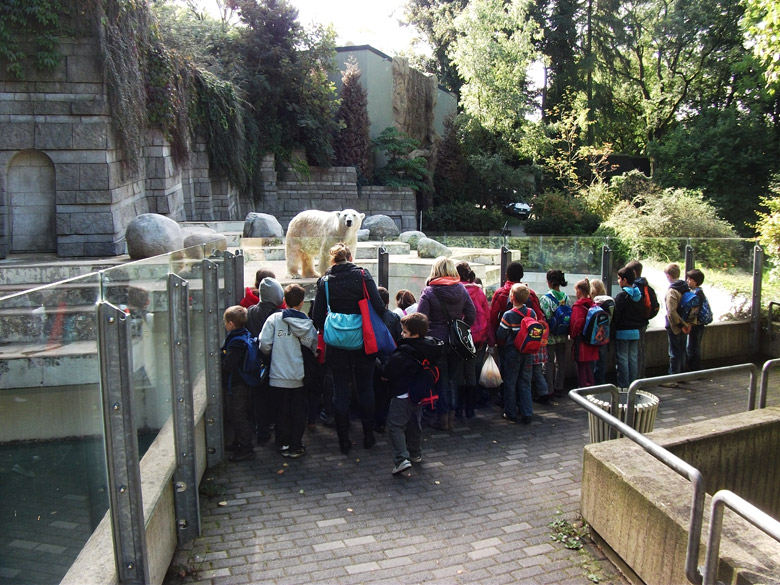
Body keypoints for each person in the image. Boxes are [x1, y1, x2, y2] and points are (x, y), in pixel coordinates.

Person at [311, 243, 386, 454]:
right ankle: (368, 435)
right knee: (365, 388)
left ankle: (343, 440)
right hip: (362, 341)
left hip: (336, 345)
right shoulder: (362, 275)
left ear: (332, 260)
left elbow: (317, 316)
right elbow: (379, 306)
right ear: (350, 257)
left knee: (340, 390)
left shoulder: (324, 281)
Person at [417, 257, 476, 431]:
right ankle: (451, 418)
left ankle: (442, 420)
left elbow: (421, 320)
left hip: (437, 343)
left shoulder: (428, 292)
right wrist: (459, 329)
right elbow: (471, 315)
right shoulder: (462, 290)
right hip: (457, 343)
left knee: (441, 381)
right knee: (452, 380)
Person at [259, 284, 318, 458]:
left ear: (284, 301)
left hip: (277, 375)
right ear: (301, 303)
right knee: (298, 411)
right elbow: (312, 348)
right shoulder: (307, 324)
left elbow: (264, 344)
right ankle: (296, 445)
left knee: (280, 411)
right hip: (299, 376)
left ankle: (282, 443)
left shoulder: (274, 319)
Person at [382, 313, 444, 475]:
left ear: (414, 335)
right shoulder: (431, 347)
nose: (402, 335)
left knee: (396, 426)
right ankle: (415, 453)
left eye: (404, 332)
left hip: (402, 394)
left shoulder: (405, 352)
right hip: (419, 394)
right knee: (414, 425)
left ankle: (401, 459)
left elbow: (389, 371)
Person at [489, 261, 549, 404]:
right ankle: (525, 407)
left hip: (507, 344)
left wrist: (496, 340)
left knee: (508, 376)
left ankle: (507, 403)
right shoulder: (530, 294)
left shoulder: (501, 293)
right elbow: (539, 319)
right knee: (525, 379)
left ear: (506, 275)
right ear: (522, 276)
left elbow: (492, 317)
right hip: (527, 344)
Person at [246, 277, 285, 444]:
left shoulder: (250, 311)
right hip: (275, 362)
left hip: (256, 364)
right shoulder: (278, 315)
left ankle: (261, 430)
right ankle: (278, 429)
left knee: (259, 398)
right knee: (277, 398)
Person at [456, 261, 495, 418]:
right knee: (472, 373)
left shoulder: (456, 290)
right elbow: (487, 315)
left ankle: (458, 409)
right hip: (478, 339)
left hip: (460, 338)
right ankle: (470, 409)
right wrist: (487, 338)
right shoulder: (479, 292)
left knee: (459, 374)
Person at [495, 283, 535, 424]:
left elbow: (501, 334)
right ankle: (527, 412)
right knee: (525, 382)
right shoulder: (531, 313)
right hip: (528, 352)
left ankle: (510, 412)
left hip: (513, 352)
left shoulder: (509, 315)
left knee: (510, 382)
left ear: (512, 297)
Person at [220, 305, 256, 462]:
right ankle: (238, 442)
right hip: (244, 383)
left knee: (238, 415)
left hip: (237, 384)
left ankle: (246, 447)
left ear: (231, 324)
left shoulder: (236, 342)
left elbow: (229, 365)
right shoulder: (245, 334)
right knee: (239, 414)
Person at [374, 286, 403, 432]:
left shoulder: (368, 317)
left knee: (374, 391)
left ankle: (375, 422)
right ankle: (386, 420)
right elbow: (399, 339)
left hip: (373, 360)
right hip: (389, 361)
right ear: (387, 301)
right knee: (388, 394)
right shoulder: (393, 317)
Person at [540, 269, 571, 397]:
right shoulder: (566, 297)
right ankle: (560, 387)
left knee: (548, 362)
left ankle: (549, 389)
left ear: (550, 282)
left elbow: (545, 317)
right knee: (561, 361)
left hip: (550, 337)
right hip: (563, 335)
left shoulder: (545, 299)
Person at [612, 266, 644, 389]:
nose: (618, 281)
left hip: (622, 332)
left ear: (625, 280)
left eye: (619, 279)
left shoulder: (622, 296)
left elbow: (617, 316)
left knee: (622, 359)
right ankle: (633, 384)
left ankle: (624, 385)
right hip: (635, 332)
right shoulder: (638, 296)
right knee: (633, 359)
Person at [625, 260, 658, 378]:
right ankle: (641, 375)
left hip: (635, 324)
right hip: (644, 322)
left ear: (633, 272)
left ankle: (637, 378)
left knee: (635, 352)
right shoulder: (646, 286)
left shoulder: (635, 288)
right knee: (641, 350)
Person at [663, 263, 691, 383]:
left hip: (675, 327)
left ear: (668, 276)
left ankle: (672, 378)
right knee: (682, 351)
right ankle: (682, 376)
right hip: (686, 325)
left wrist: (680, 325)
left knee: (674, 352)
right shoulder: (686, 287)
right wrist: (687, 325)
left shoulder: (673, 291)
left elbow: (672, 312)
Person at [569, 278, 599, 388]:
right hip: (592, 339)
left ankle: (583, 389)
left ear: (579, 291)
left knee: (581, 367)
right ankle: (591, 386)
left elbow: (576, 323)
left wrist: (572, 335)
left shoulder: (578, 306)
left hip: (581, 341)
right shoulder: (592, 304)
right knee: (589, 367)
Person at [590, 279, 615, 385]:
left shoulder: (593, 304)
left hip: (592, 338)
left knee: (592, 362)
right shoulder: (609, 303)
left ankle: (592, 383)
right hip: (605, 337)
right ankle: (602, 383)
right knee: (602, 362)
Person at [685, 268, 708, 372]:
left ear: (695, 281)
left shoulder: (696, 294)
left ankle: (694, 368)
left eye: (689, 279)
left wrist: (689, 324)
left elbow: (694, 311)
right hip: (699, 323)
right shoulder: (699, 292)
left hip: (695, 324)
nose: (687, 281)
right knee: (695, 345)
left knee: (693, 346)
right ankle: (696, 367)